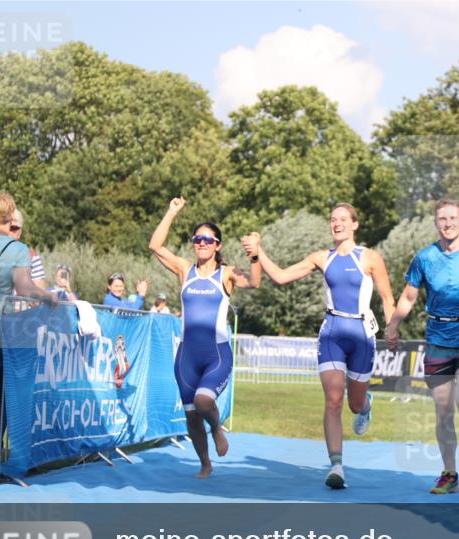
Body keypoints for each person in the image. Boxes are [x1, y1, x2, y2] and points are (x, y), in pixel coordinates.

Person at [247, 203, 395, 490]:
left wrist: (392, 328)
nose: (337, 223)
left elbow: (387, 298)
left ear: (355, 224)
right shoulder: (321, 258)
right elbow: (280, 276)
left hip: (362, 334)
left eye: (343, 219)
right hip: (332, 334)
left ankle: (365, 405)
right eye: (333, 219)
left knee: (353, 403)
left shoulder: (370, 258)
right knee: (333, 400)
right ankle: (337, 466)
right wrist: (258, 251)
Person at [385, 198, 459, 495]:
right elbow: (409, 297)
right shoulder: (424, 258)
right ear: (436, 223)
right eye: (442, 219)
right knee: (443, 411)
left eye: (453, 218)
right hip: (437, 339)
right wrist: (393, 325)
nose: (448, 223)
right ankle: (449, 474)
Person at [149, 196, 262, 479]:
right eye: (197, 239)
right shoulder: (184, 269)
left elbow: (255, 281)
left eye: (208, 240)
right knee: (190, 415)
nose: (201, 243)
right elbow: (155, 246)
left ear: (218, 246)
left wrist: (256, 255)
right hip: (186, 357)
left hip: (216, 355)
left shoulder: (226, 274)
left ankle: (217, 429)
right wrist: (171, 212)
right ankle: (205, 463)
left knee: (203, 402)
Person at [8, 209, 48, 289]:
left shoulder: (32, 257)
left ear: (19, 232)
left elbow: (40, 291)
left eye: (13, 228)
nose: (8, 232)